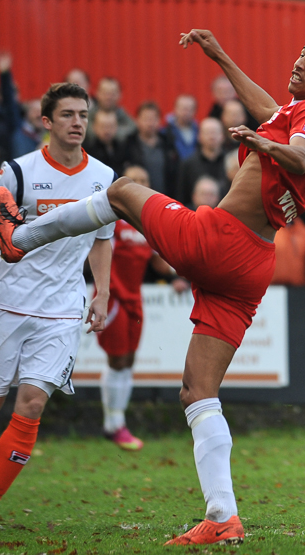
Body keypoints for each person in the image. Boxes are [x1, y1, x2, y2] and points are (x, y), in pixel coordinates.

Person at [0, 27, 305, 545]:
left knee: (121, 191)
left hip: (219, 241)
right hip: (252, 265)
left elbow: (299, 152)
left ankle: (18, 239)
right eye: (301, 52)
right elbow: (273, 113)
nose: (300, 61)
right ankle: (223, 515)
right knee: (199, 392)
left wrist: (263, 143)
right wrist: (221, 56)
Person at [0, 82, 115, 530]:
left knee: (31, 404)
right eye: (67, 114)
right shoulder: (17, 172)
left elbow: (102, 238)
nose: (77, 122)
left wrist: (101, 291)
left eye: (83, 114)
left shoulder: (103, 176)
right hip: (6, 301)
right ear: (46, 121)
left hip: (62, 308)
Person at [98, 165, 189, 451]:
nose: (138, 184)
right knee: (117, 359)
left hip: (135, 298)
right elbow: (97, 252)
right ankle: (114, 424)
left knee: (129, 359)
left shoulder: (148, 223)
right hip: (113, 297)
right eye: (133, 180)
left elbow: (160, 262)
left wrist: (186, 272)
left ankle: (116, 423)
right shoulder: (110, 219)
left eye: (144, 180)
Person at [123, 101, 179, 197]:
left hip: (165, 198)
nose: (150, 123)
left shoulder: (168, 143)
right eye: (146, 119)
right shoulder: (129, 144)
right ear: (137, 120)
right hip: (138, 197)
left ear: (159, 121)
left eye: (153, 119)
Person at [177, 117, 228, 207]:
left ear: (223, 136)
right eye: (208, 132)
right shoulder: (188, 164)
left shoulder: (231, 162)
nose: (212, 137)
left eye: (215, 132)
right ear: (199, 136)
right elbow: (181, 196)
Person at [86, 77, 136, 142]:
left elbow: (133, 127)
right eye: (105, 93)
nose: (108, 97)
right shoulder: (87, 116)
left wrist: (113, 133)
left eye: (112, 93)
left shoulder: (123, 115)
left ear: (120, 95)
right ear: (97, 93)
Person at [82, 109, 128, 177]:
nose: (107, 131)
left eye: (110, 126)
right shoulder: (87, 150)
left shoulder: (124, 148)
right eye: (103, 126)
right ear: (94, 127)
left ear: (116, 127)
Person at [160, 94, 199, 162]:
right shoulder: (164, 133)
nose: (186, 113)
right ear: (175, 109)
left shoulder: (200, 132)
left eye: (190, 109)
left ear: (195, 111)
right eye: (183, 109)